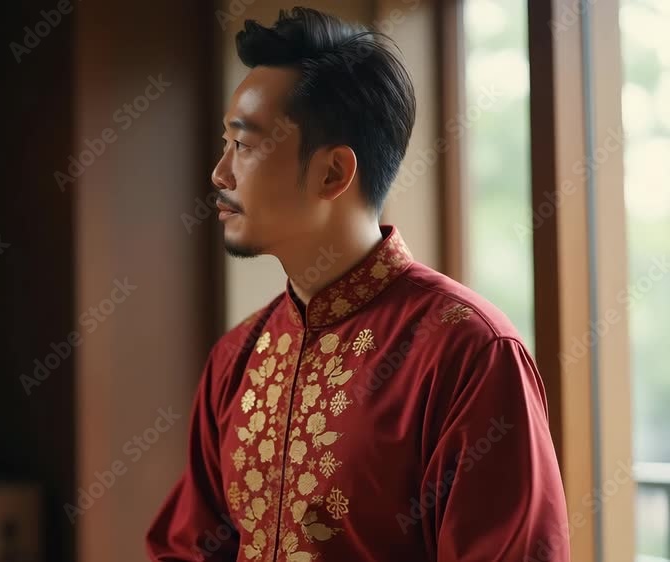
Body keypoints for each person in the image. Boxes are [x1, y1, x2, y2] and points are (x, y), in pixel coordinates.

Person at [146, 7, 570, 562]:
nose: (220, 173)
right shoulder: (238, 357)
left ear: (333, 173)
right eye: (226, 144)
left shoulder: (468, 352)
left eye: (244, 146)